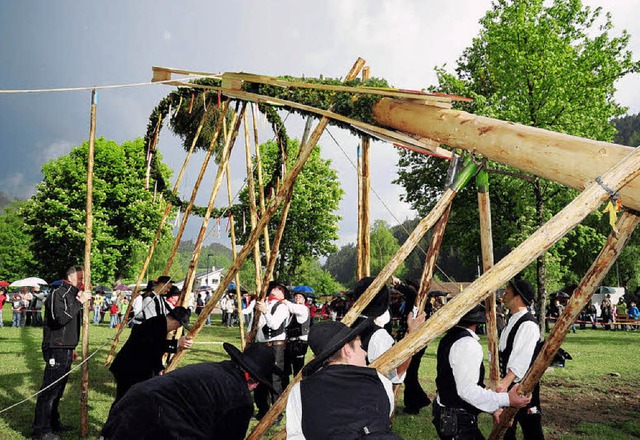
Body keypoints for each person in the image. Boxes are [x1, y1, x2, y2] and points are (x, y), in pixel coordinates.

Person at [103, 342, 278, 440]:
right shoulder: (241, 399)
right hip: (156, 425)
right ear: (255, 382)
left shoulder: (214, 368)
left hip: (128, 406)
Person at [286, 318, 401, 439]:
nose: (365, 353)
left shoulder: (300, 390)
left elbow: (296, 437)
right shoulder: (381, 381)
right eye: (361, 347)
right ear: (347, 350)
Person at [433, 304, 531, 440]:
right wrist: (507, 399)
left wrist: (493, 409)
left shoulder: (450, 337)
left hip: (449, 414)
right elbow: (467, 391)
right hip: (457, 420)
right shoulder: (467, 344)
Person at [32, 266, 91, 440]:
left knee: (59, 389)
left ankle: (53, 421)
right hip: (56, 347)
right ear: (70, 277)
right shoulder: (59, 293)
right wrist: (80, 301)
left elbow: (70, 325)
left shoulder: (71, 295)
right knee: (50, 389)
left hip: (65, 347)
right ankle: (40, 431)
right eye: (80, 279)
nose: (82, 282)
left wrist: (71, 347)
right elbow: (61, 319)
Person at [109, 306, 193, 406]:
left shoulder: (159, 323)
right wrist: (177, 343)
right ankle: (116, 421)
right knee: (125, 400)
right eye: (179, 326)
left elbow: (153, 352)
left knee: (132, 400)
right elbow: (153, 346)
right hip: (128, 369)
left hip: (133, 368)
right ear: (176, 323)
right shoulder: (155, 325)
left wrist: (159, 369)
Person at [350, 277, 424, 385]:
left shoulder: (345, 326)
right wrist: (411, 334)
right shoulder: (378, 336)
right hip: (369, 396)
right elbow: (395, 374)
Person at [497, 279, 544, 440]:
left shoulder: (528, 324)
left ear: (517, 297)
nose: (503, 294)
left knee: (532, 432)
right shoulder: (512, 320)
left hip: (523, 388)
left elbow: (521, 359)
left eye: (507, 291)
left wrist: (505, 382)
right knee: (506, 431)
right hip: (508, 387)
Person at [254, 281, 290, 419]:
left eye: (279, 289)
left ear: (283, 294)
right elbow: (257, 322)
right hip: (262, 345)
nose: (275, 290)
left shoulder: (282, 307)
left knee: (275, 380)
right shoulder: (265, 304)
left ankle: (276, 414)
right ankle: (262, 410)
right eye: (274, 287)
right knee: (259, 378)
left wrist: (265, 311)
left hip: (276, 346)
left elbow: (274, 325)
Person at [282, 290, 310, 388]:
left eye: (300, 297)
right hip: (291, 343)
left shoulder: (302, 309)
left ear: (304, 300)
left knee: (298, 369)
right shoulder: (294, 312)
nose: (297, 298)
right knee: (286, 367)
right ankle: (287, 388)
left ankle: (299, 388)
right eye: (296, 296)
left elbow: (293, 307)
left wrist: (285, 301)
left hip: (299, 343)